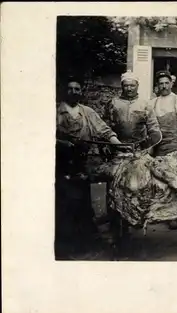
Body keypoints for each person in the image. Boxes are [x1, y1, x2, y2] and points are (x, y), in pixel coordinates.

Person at [55, 78, 123, 259]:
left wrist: (117, 143)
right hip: (60, 164)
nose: (74, 92)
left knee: (83, 201)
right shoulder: (55, 111)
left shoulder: (87, 112)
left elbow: (104, 130)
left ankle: (85, 242)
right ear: (64, 91)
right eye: (70, 89)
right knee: (64, 203)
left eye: (77, 89)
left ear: (81, 92)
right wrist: (62, 143)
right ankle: (64, 245)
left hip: (82, 164)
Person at [103, 70, 162, 239]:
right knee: (114, 189)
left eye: (132, 85)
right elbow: (105, 126)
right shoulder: (113, 103)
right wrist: (107, 146)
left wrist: (148, 149)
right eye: (126, 85)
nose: (129, 88)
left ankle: (132, 221)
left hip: (137, 152)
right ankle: (115, 226)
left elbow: (154, 130)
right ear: (122, 86)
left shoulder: (145, 104)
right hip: (117, 152)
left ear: (137, 86)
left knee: (135, 188)